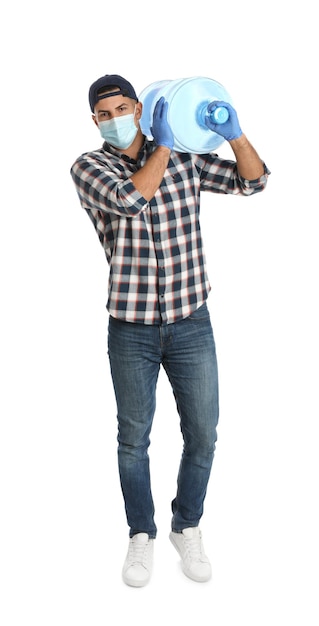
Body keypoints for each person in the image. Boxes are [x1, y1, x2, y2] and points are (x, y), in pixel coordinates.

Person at [70, 73, 270, 587]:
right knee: (133, 440)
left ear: (140, 107)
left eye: (121, 108)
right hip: (131, 329)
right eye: (104, 113)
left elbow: (253, 181)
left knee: (203, 434)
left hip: (191, 323)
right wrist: (162, 144)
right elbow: (132, 199)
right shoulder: (90, 166)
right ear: (95, 120)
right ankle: (142, 534)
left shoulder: (185, 157)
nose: (114, 119)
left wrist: (234, 134)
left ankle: (187, 524)